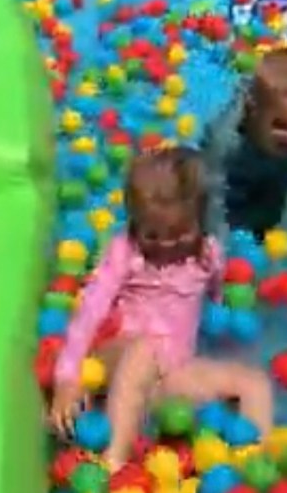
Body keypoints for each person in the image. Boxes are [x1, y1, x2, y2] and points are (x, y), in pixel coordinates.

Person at [50, 147, 273, 469]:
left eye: (180, 233)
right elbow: (90, 311)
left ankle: (254, 465)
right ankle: (113, 464)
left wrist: (220, 307)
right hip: (118, 357)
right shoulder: (126, 251)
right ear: (134, 222)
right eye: (152, 234)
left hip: (172, 372)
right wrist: (68, 378)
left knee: (253, 382)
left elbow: (215, 295)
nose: (166, 244)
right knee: (143, 352)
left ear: (201, 220)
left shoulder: (208, 254)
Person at [207, 50, 287, 242]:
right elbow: (212, 197)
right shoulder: (225, 142)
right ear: (252, 113)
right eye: (280, 125)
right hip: (234, 167)